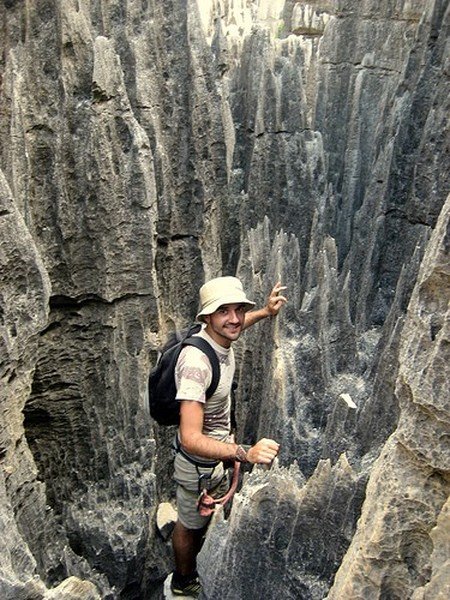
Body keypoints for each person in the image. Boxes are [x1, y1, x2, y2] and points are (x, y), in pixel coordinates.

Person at [170, 276, 287, 598]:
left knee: (201, 521)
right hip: (198, 466)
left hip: (217, 459)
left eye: (239, 309)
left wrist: (265, 311)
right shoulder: (196, 364)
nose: (234, 318)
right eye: (224, 311)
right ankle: (182, 581)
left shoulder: (219, 335)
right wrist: (244, 453)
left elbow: (234, 326)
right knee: (189, 525)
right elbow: (190, 437)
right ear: (207, 317)